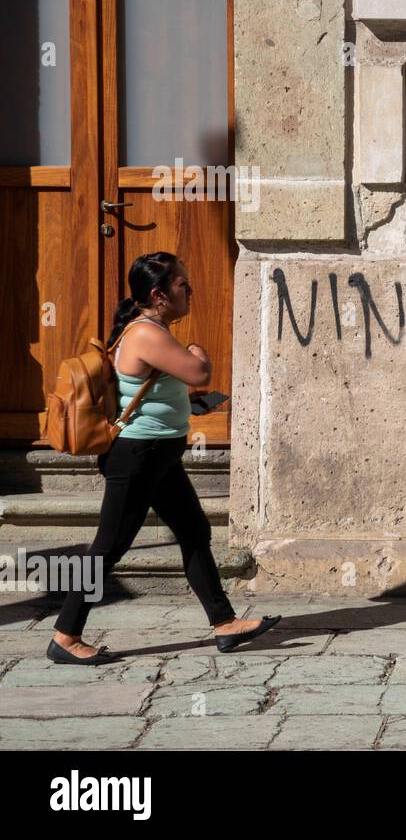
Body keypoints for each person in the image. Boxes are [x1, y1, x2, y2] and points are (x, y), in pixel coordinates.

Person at [47, 252, 279, 665]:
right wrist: (198, 350)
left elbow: (164, 389)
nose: (190, 291)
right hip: (138, 456)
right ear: (158, 294)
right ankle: (65, 635)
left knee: (193, 531)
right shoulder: (146, 334)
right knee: (108, 547)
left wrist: (187, 403)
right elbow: (199, 372)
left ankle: (224, 623)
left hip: (160, 455)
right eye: (181, 285)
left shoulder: (151, 329)